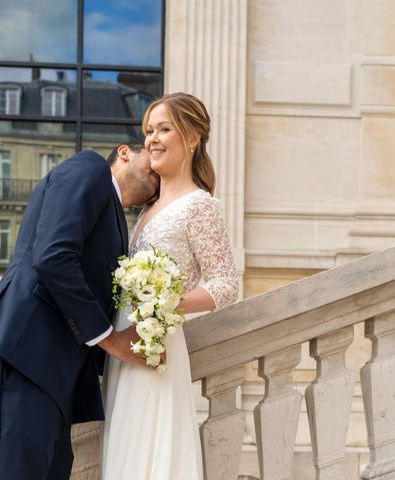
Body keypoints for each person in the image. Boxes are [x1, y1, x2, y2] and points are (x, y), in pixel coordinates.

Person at [0, 143, 159, 480]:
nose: (156, 172)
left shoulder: (115, 221)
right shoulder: (90, 168)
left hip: (53, 372)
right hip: (23, 353)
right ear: (124, 152)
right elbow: (53, 256)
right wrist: (111, 341)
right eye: (150, 160)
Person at [102, 93, 239, 479]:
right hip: (124, 347)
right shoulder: (146, 206)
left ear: (192, 138)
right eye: (149, 131)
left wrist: (164, 304)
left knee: (152, 454)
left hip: (155, 348)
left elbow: (227, 283)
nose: (153, 139)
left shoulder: (201, 205)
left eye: (164, 129)